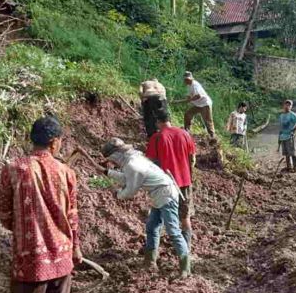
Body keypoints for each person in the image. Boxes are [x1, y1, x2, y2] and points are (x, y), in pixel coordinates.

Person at [0, 116, 82, 293]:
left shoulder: (14, 168)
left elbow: (5, 215)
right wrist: (74, 248)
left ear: (32, 139)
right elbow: (73, 217)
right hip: (62, 254)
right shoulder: (66, 172)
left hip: (30, 256)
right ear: (54, 142)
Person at [85, 138, 191, 278]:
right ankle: (150, 261)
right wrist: (107, 172)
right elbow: (128, 178)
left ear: (116, 155)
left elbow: (130, 190)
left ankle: (185, 268)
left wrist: (118, 195)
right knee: (152, 227)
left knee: (173, 231)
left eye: (111, 159)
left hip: (165, 195)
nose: (112, 162)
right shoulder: (133, 160)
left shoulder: (132, 165)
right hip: (159, 194)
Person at [146, 109, 197, 252]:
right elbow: (192, 159)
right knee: (185, 218)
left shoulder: (157, 138)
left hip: (165, 186)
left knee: (157, 219)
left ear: (158, 122)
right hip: (184, 183)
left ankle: (151, 253)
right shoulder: (185, 134)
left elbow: (151, 164)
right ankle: (186, 249)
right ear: (170, 120)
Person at [174, 71, 215, 139]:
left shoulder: (195, 84)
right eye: (186, 79)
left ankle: (212, 137)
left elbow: (198, 96)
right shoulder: (189, 86)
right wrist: (178, 101)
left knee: (207, 120)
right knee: (187, 114)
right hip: (198, 104)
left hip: (205, 104)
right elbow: (188, 98)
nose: (186, 80)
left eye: (188, 79)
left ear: (191, 79)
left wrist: (189, 100)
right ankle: (187, 130)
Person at [277, 100, 296, 173]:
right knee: (286, 153)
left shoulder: (292, 115)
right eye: (286, 105)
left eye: (289, 105)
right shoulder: (281, 115)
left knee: (293, 152)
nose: (287, 106)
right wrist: (279, 138)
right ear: (283, 105)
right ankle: (289, 167)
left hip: (290, 136)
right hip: (283, 136)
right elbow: (281, 127)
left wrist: (293, 130)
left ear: (291, 107)